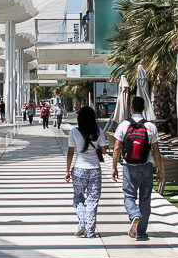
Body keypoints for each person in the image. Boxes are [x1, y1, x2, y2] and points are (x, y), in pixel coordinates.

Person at [112, 94, 163, 241]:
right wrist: (159, 169)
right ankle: (141, 231)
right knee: (145, 199)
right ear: (144, 109)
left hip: (129, 167)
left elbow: (116, 148)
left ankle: (134, 214)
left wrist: (114, 167)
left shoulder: (123, 125)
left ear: (131, 108)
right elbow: (156, 150)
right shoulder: (150, 126)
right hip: (146, 167)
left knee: (129, 195)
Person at [65, 105, 107, 238]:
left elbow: (70, 152)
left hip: (78, 169)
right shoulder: (99, 131)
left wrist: (67, 170)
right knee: (93, 200)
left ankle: (82, 219)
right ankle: (90, 231)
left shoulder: (73, 132)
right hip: (94, 169)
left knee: (78, 198)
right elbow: (104, 151)